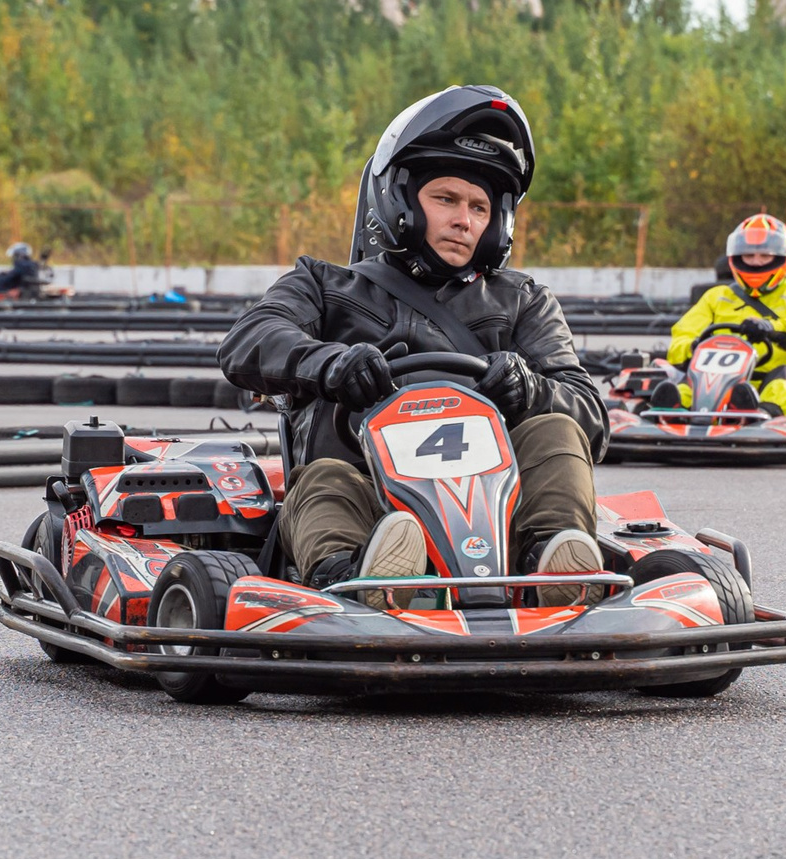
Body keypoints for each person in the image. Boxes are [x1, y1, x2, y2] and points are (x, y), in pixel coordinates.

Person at [217, 85, 608, 594]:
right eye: (446, 199)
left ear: (497, 225)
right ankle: (360, 579)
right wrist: (331, 365)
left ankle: (551, 567)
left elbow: (591, 417)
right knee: (325, 478)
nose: (464, 219)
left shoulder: (523, 301)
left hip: (496, 509)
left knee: (556, 429)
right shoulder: (326, 284)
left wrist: (530, 390)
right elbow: (247, 340)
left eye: (480, 208)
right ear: (400, 201)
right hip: (371, 502)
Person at [654, 212, 786, 417]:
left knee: (783, 380)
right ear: (736, 258)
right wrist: (694, 348)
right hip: (718, 382)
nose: (756, 262)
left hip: (780, 380)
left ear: (781, 258)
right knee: (688, 384)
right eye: (749, 256)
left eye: (765, 255)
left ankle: (759, 414)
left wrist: (773, 329)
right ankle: (674, 409)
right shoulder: (717, 296)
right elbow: (681, 336)